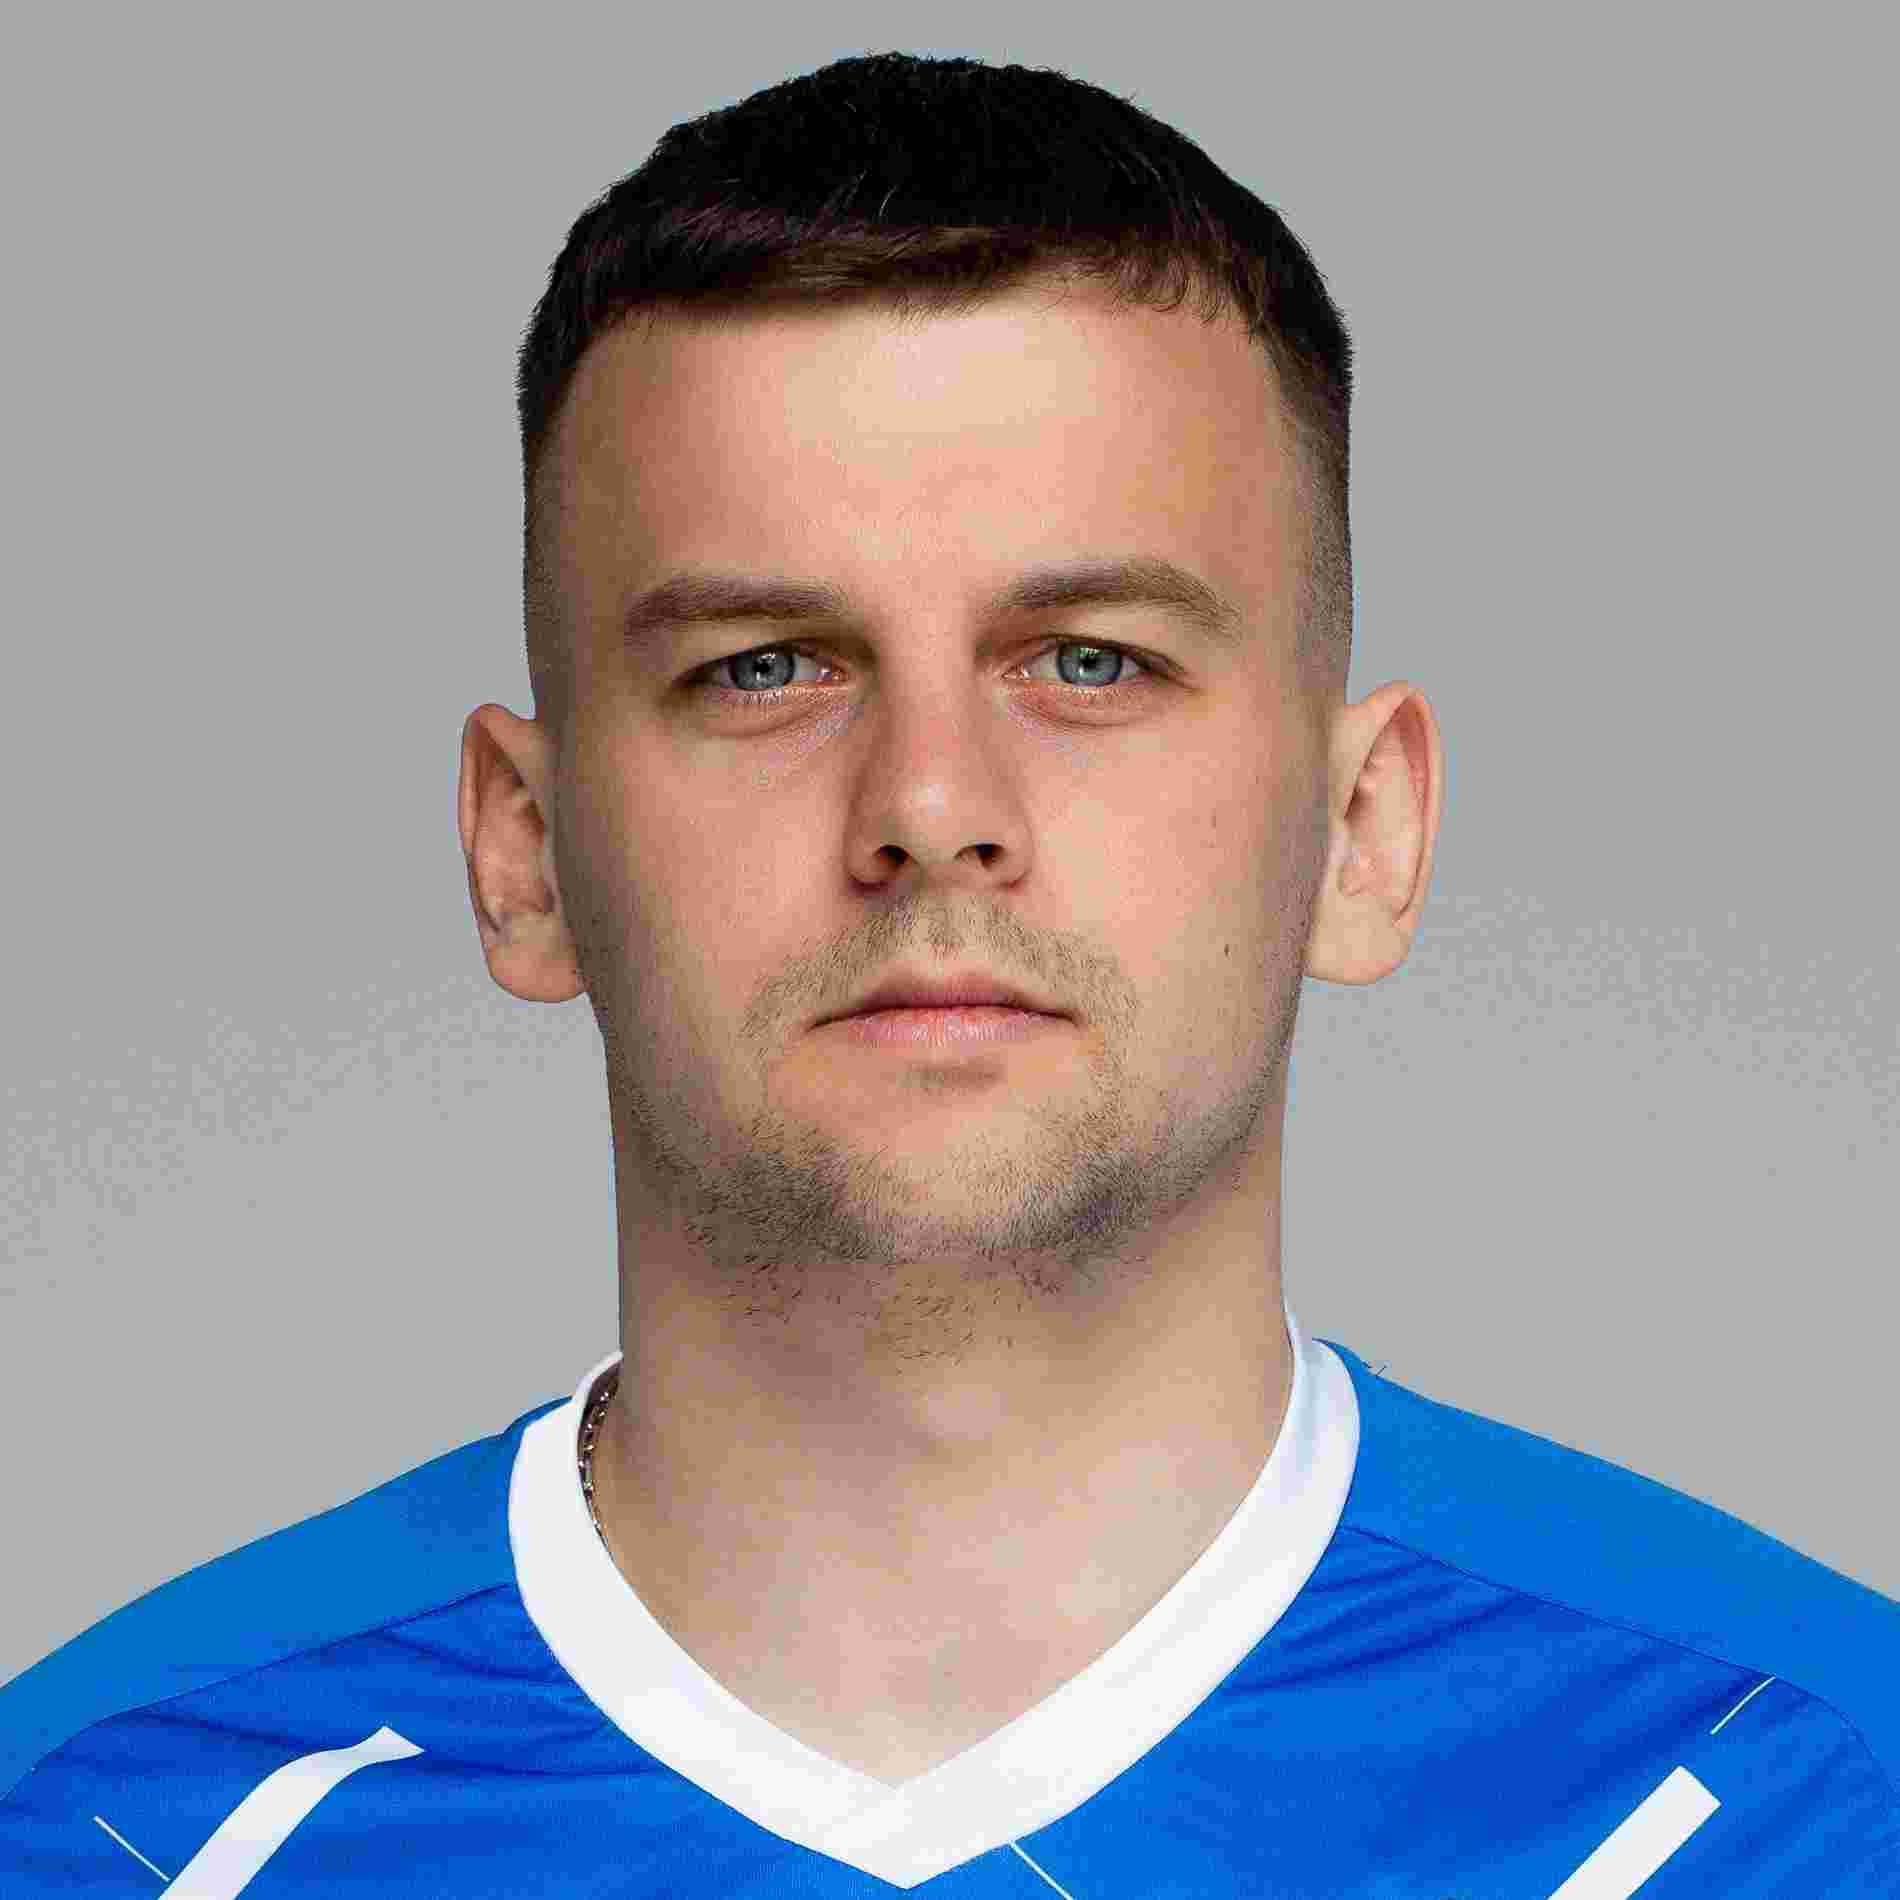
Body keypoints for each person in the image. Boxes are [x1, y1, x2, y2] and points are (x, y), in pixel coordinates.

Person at [3, 47, 1894, 1898]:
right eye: (762, 668)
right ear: (524, 852)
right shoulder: (105, 1831)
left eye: (1090, 661)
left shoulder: (1811, 1793)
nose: (928, 808)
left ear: (1360, 830)